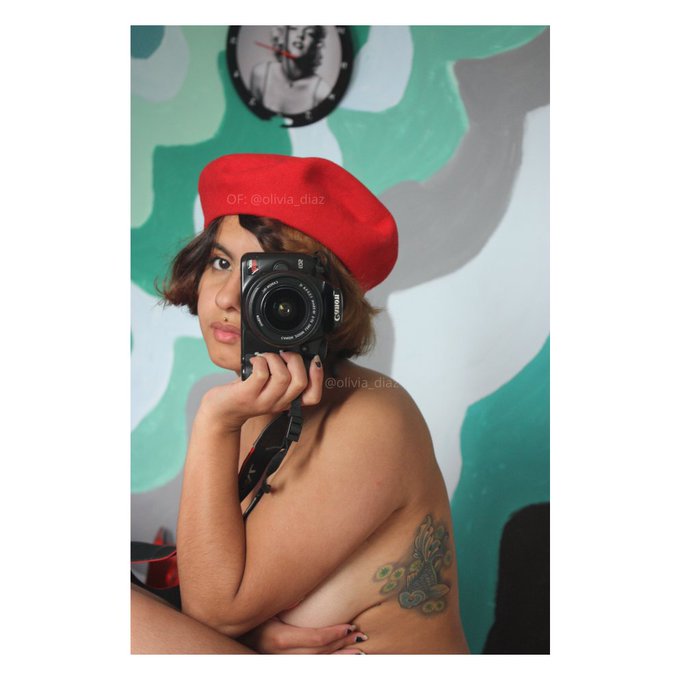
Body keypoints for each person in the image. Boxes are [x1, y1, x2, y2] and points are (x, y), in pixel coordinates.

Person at [131, 153, 470, 654]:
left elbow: (215, 612)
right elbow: (215, 593)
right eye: (221, 263)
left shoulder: (372, 417)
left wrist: (213, 423)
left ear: (322, 301)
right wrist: (255, 633)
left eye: (264, 276)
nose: (227, 297)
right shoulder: (252, 403)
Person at [249, 26, 332, 115]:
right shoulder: (261, 75)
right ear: (281, 35)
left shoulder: (322, 92)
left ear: (316, 45)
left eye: (309, 33)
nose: (300, 35)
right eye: (294, 28)